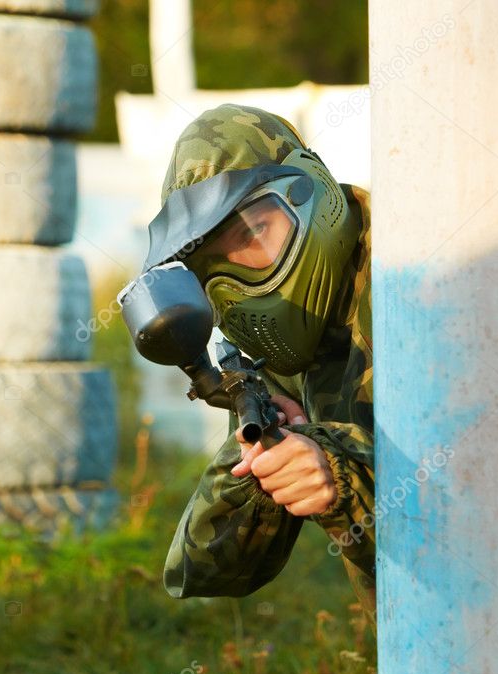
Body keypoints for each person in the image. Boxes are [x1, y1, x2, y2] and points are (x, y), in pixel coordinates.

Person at [147, 104, 376, 626]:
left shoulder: (415, 278)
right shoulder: (282, 357)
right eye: (211, 267)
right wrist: (267, 463)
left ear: (311, 185)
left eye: (253, 233)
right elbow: (205, 570)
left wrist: (340, 475)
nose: (237, 281)